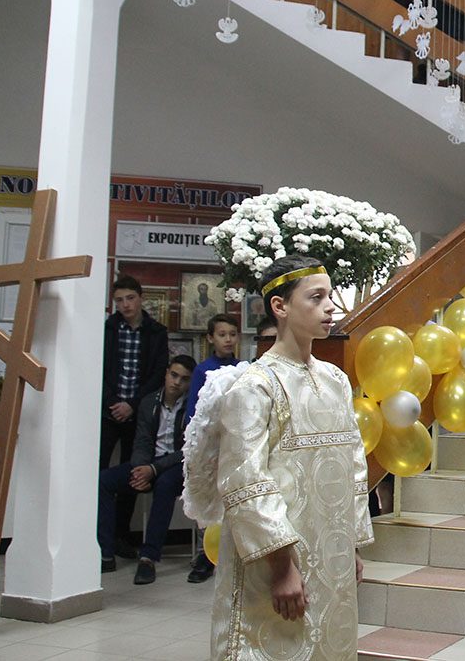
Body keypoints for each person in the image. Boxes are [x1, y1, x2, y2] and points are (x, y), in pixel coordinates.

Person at [183, 255, 374, 659]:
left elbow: (353, 467)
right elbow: (246, 480)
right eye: (316, 298)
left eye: (330, 296)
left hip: (331, 554)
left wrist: (351, 545)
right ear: (280, 306)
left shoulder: (336, 380)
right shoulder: (255, 386)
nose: (330, 307)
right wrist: (282, 566)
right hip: (275, 562)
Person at [98, 354, 195, 582]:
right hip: (149, 464)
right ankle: (105, 553)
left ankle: (148, 557)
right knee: (104, 481)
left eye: (184, 379)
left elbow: (187, 450)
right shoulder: (149, 402)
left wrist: (153, 469)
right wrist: (140, 469)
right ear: (166, 373)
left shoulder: (193, 407)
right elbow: (141, 441)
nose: (176, 382)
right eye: (174, 375)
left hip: (176, 467)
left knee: (165, 485)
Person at [102, 274, 169, 559]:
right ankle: (99, 537)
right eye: (119, 300)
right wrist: (113, 403)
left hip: (139, 412)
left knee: (133, 471)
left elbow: (157, 374)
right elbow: (99, 368)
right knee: (99, 472)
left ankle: (121, 534)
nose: (125, 305)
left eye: (130, 298)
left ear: (141, 298)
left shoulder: (156, 332)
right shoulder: (108, 329)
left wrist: (132, 404)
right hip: (108, 411)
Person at [183, 313, 241, 584]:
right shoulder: (202, 370)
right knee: (209, 500)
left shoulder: (243, 368)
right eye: (222, 334)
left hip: (234, 442)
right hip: (211, 444)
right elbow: (195, 411)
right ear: (210, 338)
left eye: (232, 334)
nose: (228, 339)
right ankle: (205, 558)